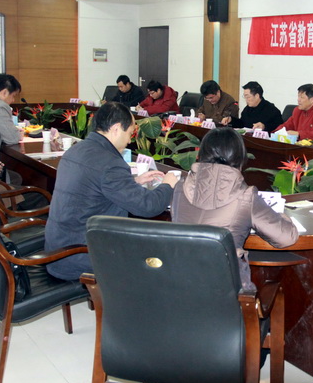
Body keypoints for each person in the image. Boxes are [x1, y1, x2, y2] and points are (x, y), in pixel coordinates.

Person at [45, 102, 178, 280]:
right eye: (129, 133)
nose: (129, 140)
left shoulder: (76, 150)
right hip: (83, 256)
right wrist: (168, 184)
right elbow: (148, 206)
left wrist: (133, 182)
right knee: (157, 256)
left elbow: (94, 187)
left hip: (59, 249)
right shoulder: (110, 163)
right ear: (116, 129)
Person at [170, 127, 298, 290]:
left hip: (177, 284)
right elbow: (286, 237)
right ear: (240, 158)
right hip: (225, 289)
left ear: (200, 154)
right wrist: (283, 216)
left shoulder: (180, 188)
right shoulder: (246, 195)